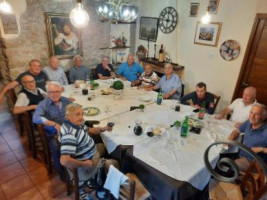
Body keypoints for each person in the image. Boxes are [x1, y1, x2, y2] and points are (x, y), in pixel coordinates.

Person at [59, 103, 118, 199]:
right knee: (113, 163)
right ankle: (100, 189)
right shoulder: (69, 134)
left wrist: (104, 128)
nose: (81, 117)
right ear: (68, 116)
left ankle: (99, 177)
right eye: (77, 114)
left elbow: (90, 130)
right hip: (85, 164)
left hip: (91, 152)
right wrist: (85, 164)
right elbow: (64, 160)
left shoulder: (76, 124)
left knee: (106, 146)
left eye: (82, 114)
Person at [33, 81, 72, 181]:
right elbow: (36, 118)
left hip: (68, 130)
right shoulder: (43, 104)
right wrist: (54, 124)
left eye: (57, 91)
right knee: (56, 147)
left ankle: (77, 164)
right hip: (53, 133)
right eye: (51, 92)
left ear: (61, 91)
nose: (54, 94)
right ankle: (62, 171)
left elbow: (74, 111)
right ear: (47, 93)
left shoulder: (66, 100)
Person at [227, 103, 267, 171]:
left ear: (264, 117)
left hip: (254, 162)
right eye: (251, 112)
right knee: (223, 156)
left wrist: (261, 149)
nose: (252, 116)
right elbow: (237, 131)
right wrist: (230, 138)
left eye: (256, 114)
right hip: (241, 154)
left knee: (231, 165)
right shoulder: (248, 122)